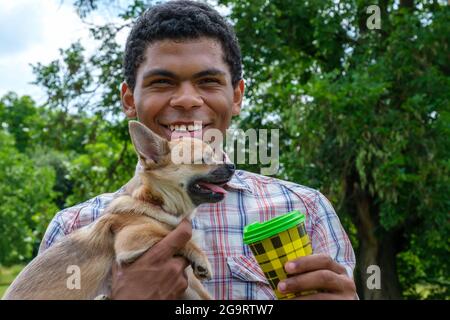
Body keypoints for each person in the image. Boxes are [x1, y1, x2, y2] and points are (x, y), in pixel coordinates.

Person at [39, 0, 357, 300]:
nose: (187, 100)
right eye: (162, 82)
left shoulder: (305, 210)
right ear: (129, 100)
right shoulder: (73, 228)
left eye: (208, 81)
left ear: (236, 96)